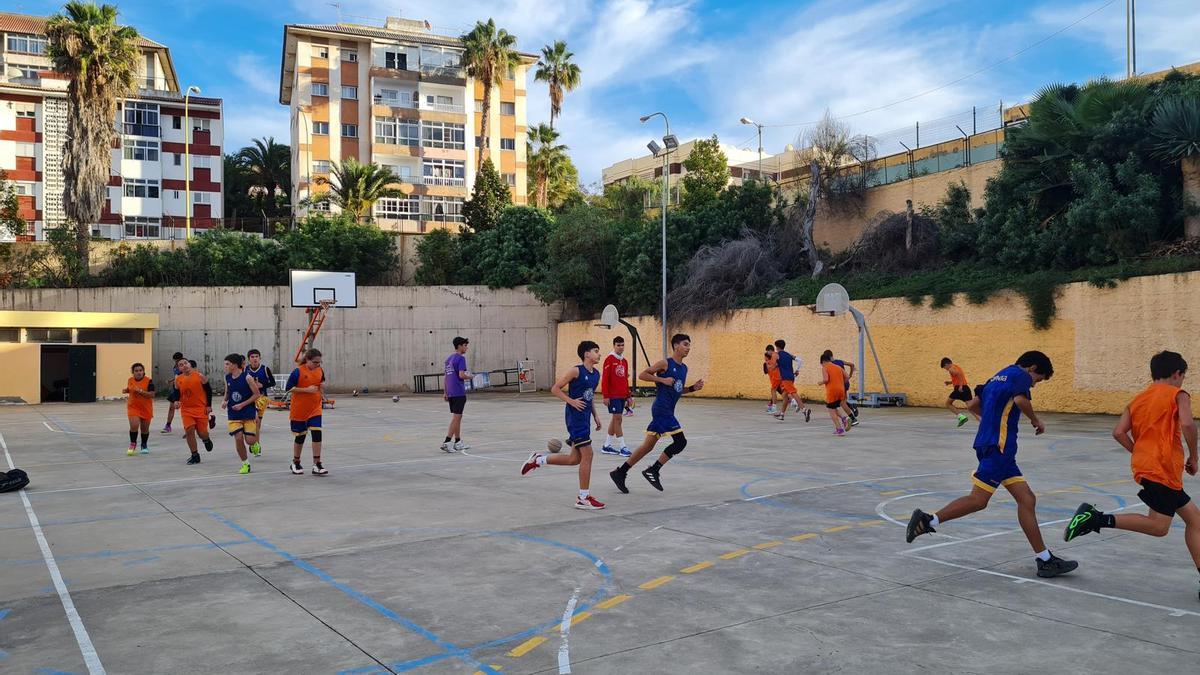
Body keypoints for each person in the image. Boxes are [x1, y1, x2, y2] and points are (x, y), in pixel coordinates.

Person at [906, 351, 1078, 578]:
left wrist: (989, 423)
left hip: (991, 445)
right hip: (1000, 447)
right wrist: (1036, 421)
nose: (1034, 385)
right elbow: (1020, 400)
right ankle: (928, 520)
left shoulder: (999, 376)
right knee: (978, 500)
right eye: (1038, 380)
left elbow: (974, 405)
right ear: (1032, 368)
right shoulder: (1020, 376)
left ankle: (1045, 559)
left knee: (1027, 499)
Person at [1064, 351, 1200, 598]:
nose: (1182, 382)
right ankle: (1094, 518)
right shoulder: (1178, 394)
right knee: (1159, 527)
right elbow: (1189, 424)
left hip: (1148, 467)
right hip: (1163, 468)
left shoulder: (1137, 400)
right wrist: (1194, 456)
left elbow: (1118, 432)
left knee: (1195, 521)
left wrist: (1138, 451)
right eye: (1182, 376)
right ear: (1177, 374)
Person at [609, 334, 705, 493]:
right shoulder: (665, 363)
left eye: (689, 345)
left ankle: (620, 472)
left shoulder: (684, 368)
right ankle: (653, 470)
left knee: (647, 446)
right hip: (662, 409)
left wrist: (693, 388)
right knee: (680, 442)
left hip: (667, 410)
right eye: (685, 344)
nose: (688, 348)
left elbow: (678, 390)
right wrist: (662, 380)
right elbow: (643, 375)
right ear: (675, 346)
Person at [520, 341, 606, 510]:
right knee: (588, 455)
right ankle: (583, 498)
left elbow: (588, 397)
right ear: (587, 354)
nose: (599, 354)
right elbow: (555, 388)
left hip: (585, 418)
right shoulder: (576, 371)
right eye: (596, 351)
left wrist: (595, 415)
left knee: (574, 459)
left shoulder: (596, 374)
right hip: (575, 419)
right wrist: (571, 401)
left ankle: (538, 460)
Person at [286, 348, 327, 475]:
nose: (318, 365)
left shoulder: (320, 371)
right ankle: (296, 462)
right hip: (299, 410)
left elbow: (321, 383)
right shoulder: (297, 372)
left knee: (317, 433)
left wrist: (323, 395)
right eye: (315, 362)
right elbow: (289, 389)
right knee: (300, 437)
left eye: (319, 362)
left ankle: (317, 464)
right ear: (308, 360)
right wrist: (306, 390)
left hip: (315, 408)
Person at [222, 353, 263, 475]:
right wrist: (225, 400)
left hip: (247, 412)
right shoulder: (227, 377)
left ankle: (255, 443)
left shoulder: (247, 377)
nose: (225, 366)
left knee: (250, 441)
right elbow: (228, 391)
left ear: (234, 365)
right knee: (238, 438)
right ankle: (245, 463)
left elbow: (256, 394)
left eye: (227, 364)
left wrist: (242, 404)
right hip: (233, 413)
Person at [175, 356, 214, 464]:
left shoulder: (200, 376)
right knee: (189, 430)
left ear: (190, 364)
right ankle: (195, 455)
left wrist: (208, 405)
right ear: (179, 368)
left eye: (185, 363)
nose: (184, 365)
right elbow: (176, 393)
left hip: (200, 408)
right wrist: (176, 401)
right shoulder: (178, 379)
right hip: (186, 410)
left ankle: (206, 440)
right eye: (181, 365)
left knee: (202, 433)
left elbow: (209, 391)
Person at [601, 336, 634, 457]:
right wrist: (605, 396)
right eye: (618, 345)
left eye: (622, 345)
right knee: (618, 419)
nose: (620, 347)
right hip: (613, 395)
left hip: (622, 395)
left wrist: (628, 396)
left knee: (615, 420)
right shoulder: (609, 359)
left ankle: (607, 445)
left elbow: (625, 379)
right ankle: (623, 447)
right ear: (613, 345)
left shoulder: (624, 361)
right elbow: (605, 379)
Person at [441, 336, 471, 453]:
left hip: (451, 392)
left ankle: (458, 442)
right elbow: (461, 375)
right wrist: (471, 376)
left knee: (458, 418)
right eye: (465, 345)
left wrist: (445, 392)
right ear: (459, 346)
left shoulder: (448, 359)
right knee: (456, 418)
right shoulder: (461, 358)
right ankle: (447, 442)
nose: (466, 348)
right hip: (458, 392)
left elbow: (446, 377)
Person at [773, 339, 811, 422]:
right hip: (791, 376)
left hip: (785, 378)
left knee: (793, 393)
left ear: (777, 346)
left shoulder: (777, 355)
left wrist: (773, 366)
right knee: (785, 396)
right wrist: (797, 370)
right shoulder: (788, 354)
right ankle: (782, 414)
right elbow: (799, 360)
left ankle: (804, 409)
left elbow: (774, 366)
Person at [246, 349, 274, 455]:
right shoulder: (245, 369)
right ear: (249, 359)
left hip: (262, 398)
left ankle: (255, 443)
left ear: (260, 358)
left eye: (256, 356)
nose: (254, 358)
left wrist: (263, 385)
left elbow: (272, 382)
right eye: (252, 357)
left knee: (258, 423)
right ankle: (255, 444)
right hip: (250, 398)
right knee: (255, 421)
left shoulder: (265, 369)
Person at [123, 363, 155, 456]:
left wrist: (140, 391)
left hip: (146, 408)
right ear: (133, 372)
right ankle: (132, 444)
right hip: (133, 407)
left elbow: (152, 395)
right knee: (134, 425)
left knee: (145, 429)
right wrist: (126, 390)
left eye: (140, 370)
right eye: (136, 371)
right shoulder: (130, 380)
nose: (139, 372)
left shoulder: (149, 381)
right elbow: (131, 388)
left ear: (143, 371)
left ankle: (144, 445)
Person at [823, 350, 859, 426]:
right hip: (844, 383)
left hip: (838, 385)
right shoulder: (840, 361)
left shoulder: (829, 365)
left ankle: (853, 419)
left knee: (842, 403)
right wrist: (850, 375)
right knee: (841, 401)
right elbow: (852, 364)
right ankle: (851, 407)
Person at [941, 357, 978, 427]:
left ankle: (961, 417)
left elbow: (959, 374)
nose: (946, 369)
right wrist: (950, 382)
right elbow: (958, 376)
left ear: (946, 364)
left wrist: (960, 386)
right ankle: (981, 420)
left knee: (948, 404)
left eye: (944, 367)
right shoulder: (956, 367)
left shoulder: (951, 369)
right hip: (966, 388)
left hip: (959, 389)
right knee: (970, 407)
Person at [820, 352, 851, 436]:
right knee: (833, 407)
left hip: (832, 391)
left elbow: (826, 379)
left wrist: (821, 382)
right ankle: (844, 419)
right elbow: (847, 377)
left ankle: (839, 429)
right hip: (841, 390)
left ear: (823, 361)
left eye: (821, 364)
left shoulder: (825, 367)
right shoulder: (838, 367)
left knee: (831, 411)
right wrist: (841, 383)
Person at [160, 351, 184, 434]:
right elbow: (177, 376)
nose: (176, 362)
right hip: (175, 390)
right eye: (175, 361)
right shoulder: (175, 366)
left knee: (191, 408)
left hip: (184, 390)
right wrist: (171, 380)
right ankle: (168, 426)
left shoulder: (185, 366)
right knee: (171, 407)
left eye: (177, 360)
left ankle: (209, 418)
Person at [764, 344, 781, 414]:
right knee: (782, 391)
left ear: (770, 350)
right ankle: (771, 406)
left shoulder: (774, 355)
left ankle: (774, 408)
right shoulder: (774, 355)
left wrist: (768, 364)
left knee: (773, 390)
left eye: (767, 351)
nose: (767, 353)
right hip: (776, 376)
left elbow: (773, 366)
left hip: (776, 376)